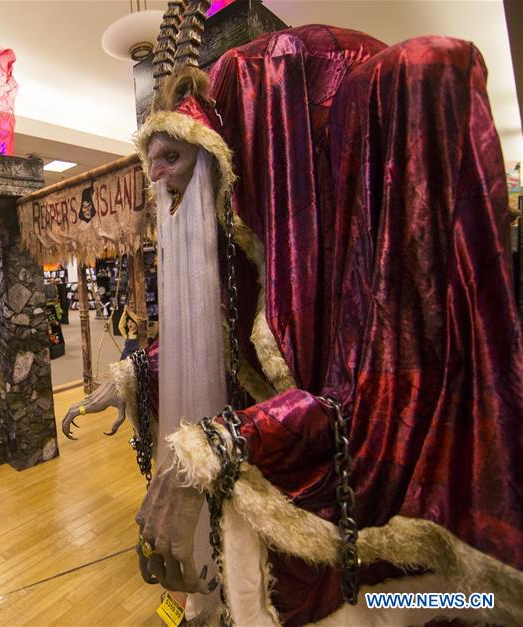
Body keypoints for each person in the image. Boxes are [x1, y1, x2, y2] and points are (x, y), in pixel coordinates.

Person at [66, 18, 522, 627]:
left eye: (173, 156)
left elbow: (359, 400)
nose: (160, 179)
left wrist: (213, 452)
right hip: (292, 535)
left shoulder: (363, 242)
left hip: (379, 537)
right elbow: (230, 339)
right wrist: (135, 375)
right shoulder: (245, 232)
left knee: (436, 602)